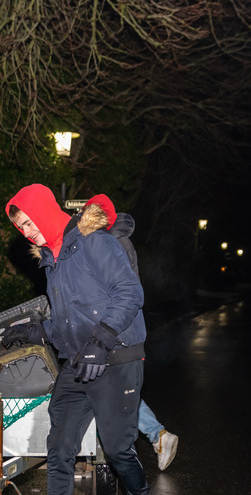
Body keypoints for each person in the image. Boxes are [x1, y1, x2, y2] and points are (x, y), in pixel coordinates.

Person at [2, 184, 156, 495]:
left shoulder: (93, 242)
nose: (28, 232)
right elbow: (66, 322)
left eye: (30, 222)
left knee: (117, 448)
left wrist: (100, 341)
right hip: (78, 362)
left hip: (116, 357)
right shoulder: (51, 262)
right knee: (59, 446)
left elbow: (129, 292)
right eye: (21, 227)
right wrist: (35, 332)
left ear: (45, 211)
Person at [85, 194, 179, 471]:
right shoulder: (116, 241)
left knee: (106, 390)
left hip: (117, 333)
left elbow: (118, 293)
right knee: (116, 391)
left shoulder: (113, 244)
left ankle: (139, 450)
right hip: (119, 331)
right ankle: (157, 436)